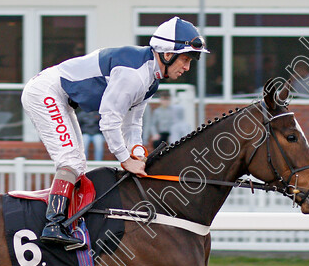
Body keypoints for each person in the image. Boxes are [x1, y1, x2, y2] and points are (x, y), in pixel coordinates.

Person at [21, 16, 208, 247]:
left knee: (78, 164)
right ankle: (53, 225)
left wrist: (137, 151)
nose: (188, 67)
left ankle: (67, 221)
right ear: (168, 54)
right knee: (69, 160)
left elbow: (133, 122)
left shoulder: (151, 78)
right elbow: (109, 121)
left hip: (60, 96)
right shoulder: (135, 74)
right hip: (45, 92)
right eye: (186, 59)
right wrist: (124, 159)